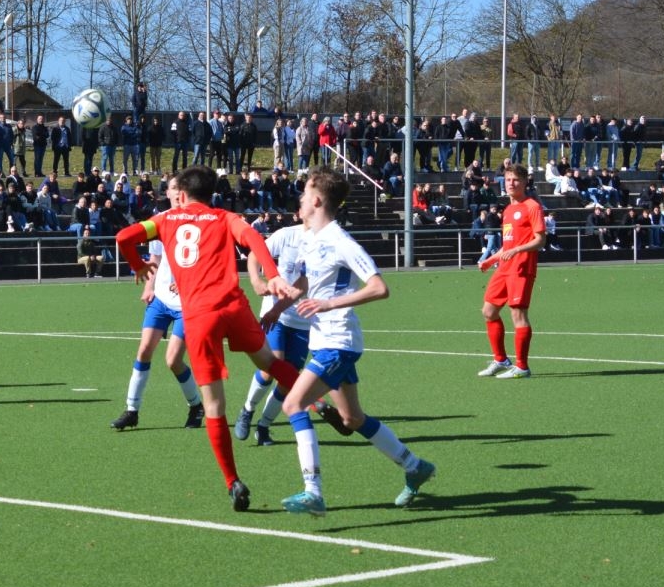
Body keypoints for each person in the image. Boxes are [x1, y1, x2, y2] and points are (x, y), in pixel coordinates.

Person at [114, 166, 307, 512]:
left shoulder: (165, 219)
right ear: (211, 194)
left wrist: (137, 266)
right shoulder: (224, 217)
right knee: (270, 363)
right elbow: (254, 239)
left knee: (215, 406)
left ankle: (233, 481)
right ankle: (318, 402)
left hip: (199, 316)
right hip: (233, 306)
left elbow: (123, 237)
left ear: (182, 194)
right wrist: (273, 275)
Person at [259, 168, 435, 516]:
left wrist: (329, 304)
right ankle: (415, 466)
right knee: (351, 418)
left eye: (304, 193)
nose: (299, 198)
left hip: (338, 341)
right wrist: (278, 307)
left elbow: (379, 288)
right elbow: (308, 282)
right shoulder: (312, 239)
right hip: (325, 340)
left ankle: (313, 491)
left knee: (293, 405)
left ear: (316, 200)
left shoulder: (341, 241)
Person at [233, 213, 313, 446]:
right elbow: (254, 255)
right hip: (274, 313)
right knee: (272, 367)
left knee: (288, 379)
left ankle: (264, 426)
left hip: (303, 320)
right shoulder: (286, 235)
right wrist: (256, 281)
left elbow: (305, 284)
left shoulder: (326, 242)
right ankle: (247, 409)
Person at [108, 237, 202, 431]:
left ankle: (196, 406)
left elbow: (207, 264)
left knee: (173, 361)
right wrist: (149, 287)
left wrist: (188, 283)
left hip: (187, 304)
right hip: (160, 300)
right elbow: (155, 258)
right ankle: (132, 410)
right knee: (144, 351)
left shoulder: (199, 226)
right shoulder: (162, 225)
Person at [477, 164, 547, 378]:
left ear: (525, 182)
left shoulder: (532, 206)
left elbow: (540, 240)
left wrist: (517, 250)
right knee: (488, 312)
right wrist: (490, 260)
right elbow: (507, 246)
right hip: (504, 268)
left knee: (518, 314)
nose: (511, 183)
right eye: (508, 179)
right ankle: (500, 359)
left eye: (516, 179)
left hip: (522, 268)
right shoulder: (507, 211)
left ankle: (522, 367)